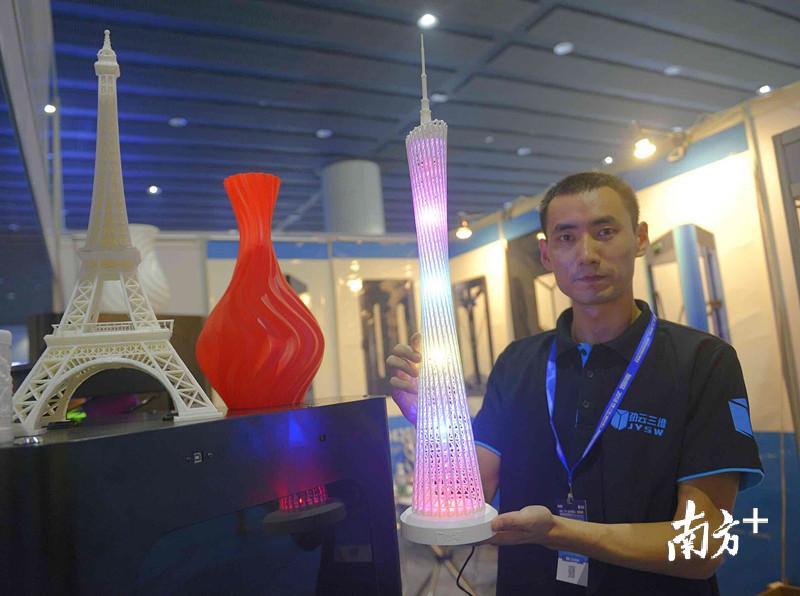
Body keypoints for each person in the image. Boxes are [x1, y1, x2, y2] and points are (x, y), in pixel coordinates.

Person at [387, 172, 763, 595]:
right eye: (566, 238)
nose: (586, 254)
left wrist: (559, 532)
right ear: (546, 254)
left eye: (605, 232)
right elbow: (475, 491)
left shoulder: (702, 362)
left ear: (640, 238)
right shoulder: (518, 363)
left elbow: (701, 546)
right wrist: (432, 424)